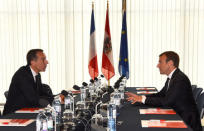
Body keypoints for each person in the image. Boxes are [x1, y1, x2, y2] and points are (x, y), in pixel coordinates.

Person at [126, 51, 202, 131]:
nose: (157, 65)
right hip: (179, 115)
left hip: (186, 122)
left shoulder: (180, 79)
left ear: (170, 63)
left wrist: (142, 99)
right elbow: (161, 94)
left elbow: (166, 102)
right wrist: (141, 97)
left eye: (160, 62)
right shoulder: (173, 77)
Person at [3, 49, 61, 115]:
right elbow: (33, 99)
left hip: (27, 111)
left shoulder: (37, 74)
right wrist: (55, 100)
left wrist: (58, 96)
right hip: (13, 115)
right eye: (43, 59)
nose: (47, 62)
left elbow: (41, 94)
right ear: (33, 62)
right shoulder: (22, 74)